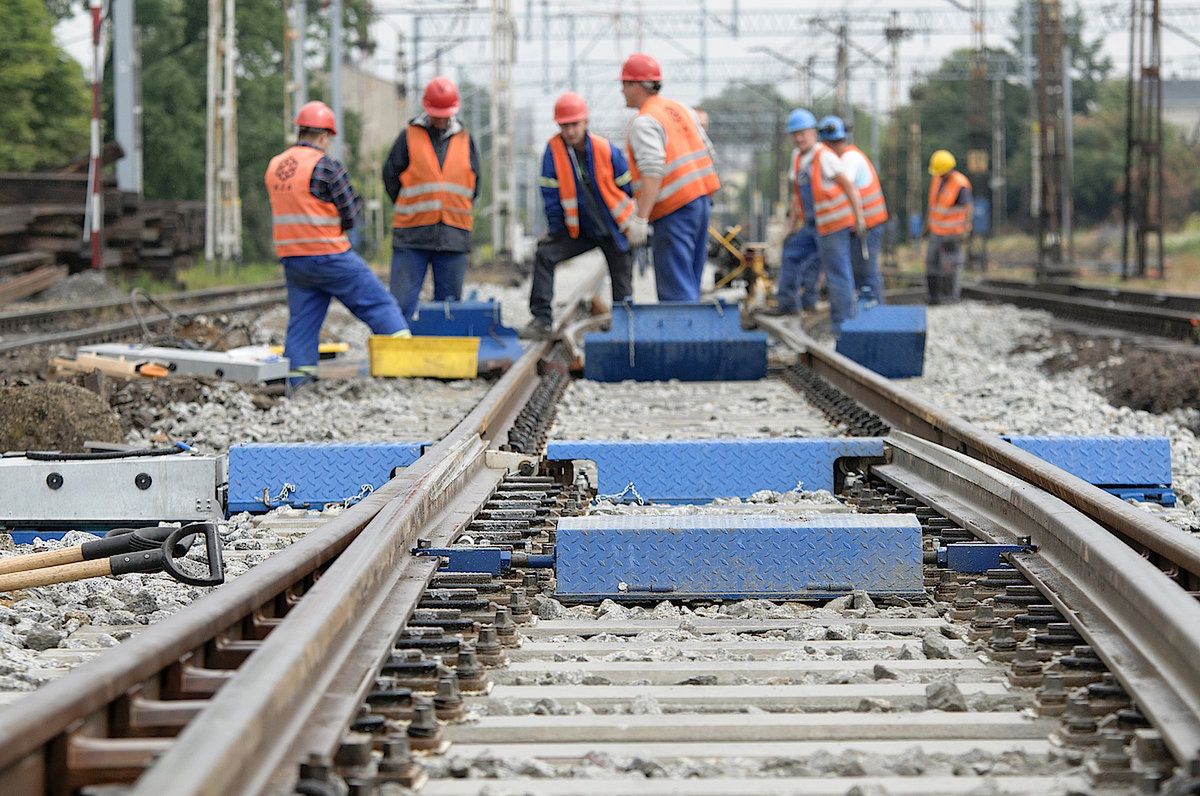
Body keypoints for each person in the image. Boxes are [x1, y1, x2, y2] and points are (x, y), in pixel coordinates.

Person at [265, 101, 409, 388]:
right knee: (380, 304)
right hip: (330, 255)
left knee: (302, 325)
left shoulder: (276, 165)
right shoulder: (327, 167)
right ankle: (404, 367)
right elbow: (350, 214)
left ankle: (299, 383)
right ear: (324, 136)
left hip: (294, 259)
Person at [523, 92, 636, 339]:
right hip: (578, 230)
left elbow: (627, 186)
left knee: (622, 281)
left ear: (585, 122)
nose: (570, 130)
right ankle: (541, 319)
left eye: (574, 124)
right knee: (545, 254)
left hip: (612, 228)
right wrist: (555, 231)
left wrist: (632, 221)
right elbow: (550, 195)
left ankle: (624, 327)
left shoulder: (606, 150)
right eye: (565, 125)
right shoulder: (553, 152)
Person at [620, 53, 721, 302]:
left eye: (624, 84)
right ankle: (695, 337)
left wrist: (640, 219)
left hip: (673, 211)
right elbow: (709, 152)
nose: (622, 91)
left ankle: (683, 339)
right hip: (700, 204)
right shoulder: (681, 109)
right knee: (690, 282)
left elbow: (653, 170)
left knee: (676, 292)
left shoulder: (644, 122)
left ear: (636, 85)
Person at [383, 76, 481, 320]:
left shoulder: (466, 140)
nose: (440, 119)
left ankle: (443, 357)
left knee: (448, 311)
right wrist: (412, 207)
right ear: (426, 109)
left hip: (453, 235)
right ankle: (400, 356)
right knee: (401, 306)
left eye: (445, 114)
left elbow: (475, 185)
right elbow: (390, 177)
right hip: (412, 236)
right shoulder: (408, 137)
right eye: (436, 113)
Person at [768, 109, 866, 337]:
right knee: (791, 252)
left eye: (802, 133)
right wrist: (789, 229)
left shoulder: (826, 157)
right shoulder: (798, 158)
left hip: (833, 226)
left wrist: (859, 218)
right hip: (813, 225)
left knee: (837, 273)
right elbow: (796, 198)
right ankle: (788, 305)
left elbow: (849, 187)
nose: (799, 138)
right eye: (795, 134)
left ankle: (843, 325)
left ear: (813, 133)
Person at [818, 115, 888, 303]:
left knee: (866, 273)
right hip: (862, 227)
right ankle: (866, 317)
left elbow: (844, 187)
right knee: (861, 274)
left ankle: (877, 315)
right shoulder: (849, 156)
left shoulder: (850, 158)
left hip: (866, 227)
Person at [925, 149, 973, 304]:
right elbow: (933, 205)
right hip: (936, 230)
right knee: (931, 263)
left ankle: (950, 297)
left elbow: (968, 207)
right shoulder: (937, 180)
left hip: (953, 233)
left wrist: (966, 229)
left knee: (950, 266)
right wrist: (927, 225)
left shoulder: (960, 184)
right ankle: (933, 297)